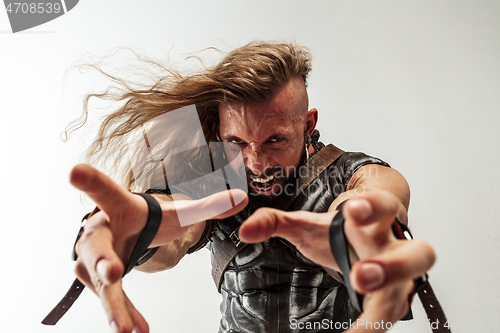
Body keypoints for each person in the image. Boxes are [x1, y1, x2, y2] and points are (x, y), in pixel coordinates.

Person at [64, 42, 435, 333]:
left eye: (275, 140)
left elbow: (378, 199)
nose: (256, 163)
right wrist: (132, 233)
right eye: (237, 142)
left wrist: (361, 235)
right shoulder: (217, 182)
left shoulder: (351, 173)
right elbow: (176, 231)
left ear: (308, 124)